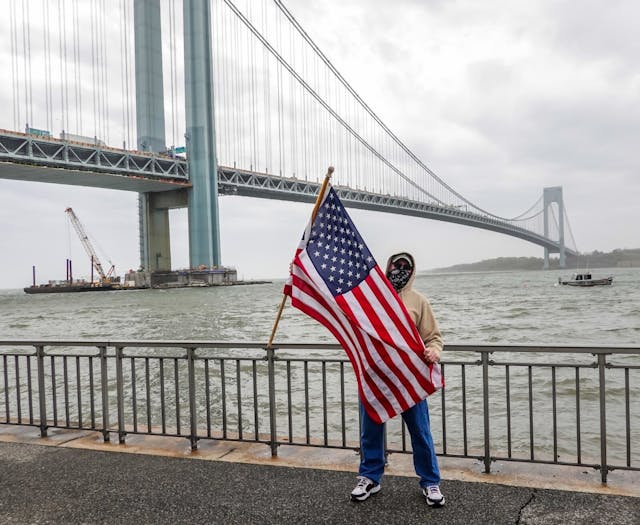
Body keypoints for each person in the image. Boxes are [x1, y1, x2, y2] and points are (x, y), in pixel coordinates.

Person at [350, 252, 445, 507]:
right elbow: (343, 307)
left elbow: (434, 337)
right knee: (370, 431)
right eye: (396, 265)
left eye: (406, 266)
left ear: (412, 271)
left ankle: (430, 481)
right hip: (376, 375)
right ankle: (370, 477)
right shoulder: (373, 297)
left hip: (409, 377)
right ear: (387, 267)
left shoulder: (418, 301)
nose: (400, 269)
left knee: (420, 432)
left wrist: (434, 351)